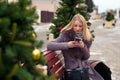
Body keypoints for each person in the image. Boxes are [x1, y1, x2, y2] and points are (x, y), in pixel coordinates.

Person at [47, 14, 112, 80]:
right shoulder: (66, 35)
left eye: (80, 26)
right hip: (73, 70)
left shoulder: (86, 37)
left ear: (83, 27)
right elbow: (49, 45)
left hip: (84, 66)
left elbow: (86, 57)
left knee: (104, 69)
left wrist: (83, 46)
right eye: (75, 26)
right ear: (72, 25)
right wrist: (67, 45)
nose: (78, 28)